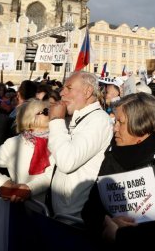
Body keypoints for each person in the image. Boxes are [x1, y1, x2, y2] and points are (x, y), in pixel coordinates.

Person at [81, 93, 155, 249]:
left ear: (142, 126)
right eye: (115, 121)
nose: (114, 128)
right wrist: (106, 221)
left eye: (120, 122)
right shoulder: (113, 155)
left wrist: (119, 235)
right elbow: (90, 210)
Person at [47, 71, 113, 217]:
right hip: (63, 215)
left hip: (77, 219)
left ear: (88, 91)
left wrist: (56, 121)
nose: (62, 93)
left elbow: (67, 162)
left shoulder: (98, 121)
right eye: (62, 88)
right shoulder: (75, 118)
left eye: (68, 88)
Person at [0, 99, 54, 203]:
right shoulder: (14, 143)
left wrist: (30, 188)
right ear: (31, 118)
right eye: (46, 111)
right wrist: (3, 182)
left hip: (57, 208)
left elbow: (54, 174)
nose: (52, 113)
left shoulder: (59, 139)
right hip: (26, 208)